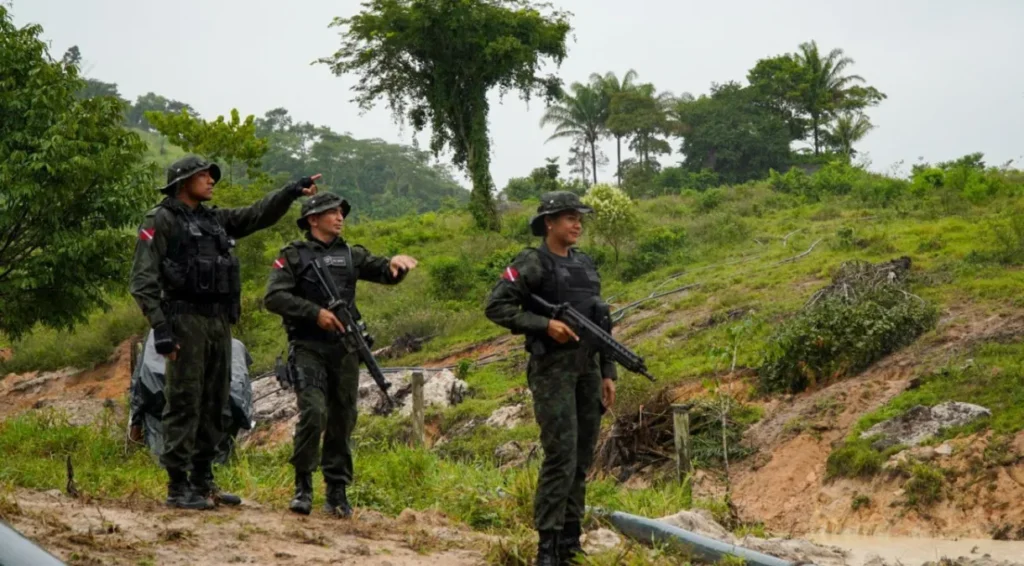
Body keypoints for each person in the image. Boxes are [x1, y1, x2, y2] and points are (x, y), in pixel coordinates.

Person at [129, 155, 319, 510]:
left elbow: (256, 215)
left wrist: (291, 191)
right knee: (184, 401)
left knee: (216, 404)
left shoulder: (215, 221)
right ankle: (178, 486)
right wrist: (161, 329)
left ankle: (203, 481)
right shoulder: (162, 219)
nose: (211, 180)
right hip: (184, 321)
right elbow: (142, 281)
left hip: (219, 324)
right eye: (204, 175)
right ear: (183, 181)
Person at [263, 192, 418, 517]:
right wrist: (314, 313)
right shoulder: (292, 255)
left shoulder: (350, 254)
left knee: (343, 418)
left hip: (345, 348)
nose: (339, 217)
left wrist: (396, 266)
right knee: (314, 413)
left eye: (340, 212)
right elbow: (274, 296)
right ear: (312, 220)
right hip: (308, 347)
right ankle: (303, 485)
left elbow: (383, 271)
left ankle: (337, 490)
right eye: (331, 212)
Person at [484, 191, 618, 566]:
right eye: (569, 218)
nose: (577, 224)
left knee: (580, 457)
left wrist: (609, 372)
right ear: (549, 223)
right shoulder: (532, 262)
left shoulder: (586, 265)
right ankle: (547, 547)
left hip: (588, 370)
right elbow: (497, 306)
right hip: (552, 369)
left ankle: (570, 543)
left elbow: (601, 323)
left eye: (579, 218)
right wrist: (546, 325)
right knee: (560, 455)